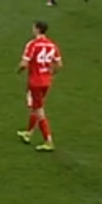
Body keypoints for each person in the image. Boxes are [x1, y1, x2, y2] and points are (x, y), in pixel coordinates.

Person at [17, 21, 63, 151]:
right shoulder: (52, 45)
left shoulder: (32, 44)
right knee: (36, 106)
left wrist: (19, 70)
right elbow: (59, 64)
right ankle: (29, 133)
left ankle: (48, 141)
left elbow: (24, 64)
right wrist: (51, 73)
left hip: (35, 82)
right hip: (46, 81)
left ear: (37, 29)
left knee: (39, 111)